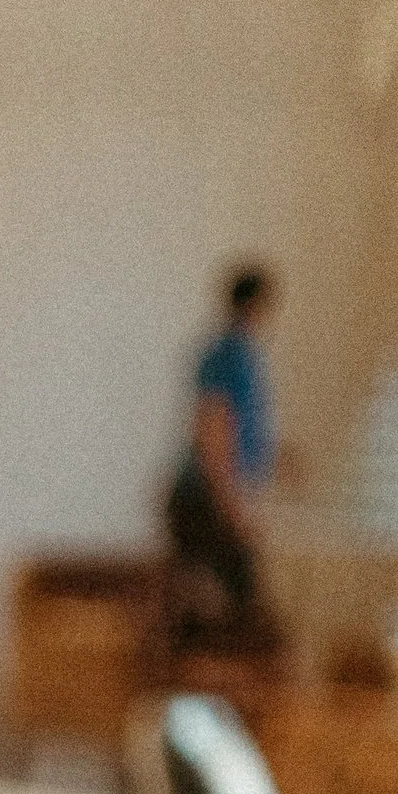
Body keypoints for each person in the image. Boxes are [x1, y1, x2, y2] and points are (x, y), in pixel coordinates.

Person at [165, 262, 281, 637]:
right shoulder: (231, 355)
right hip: (204, 498)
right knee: (232, 614)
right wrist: (229, 502)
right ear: (255, 305)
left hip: (207, 495)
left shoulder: (238, 353)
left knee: (227, 609)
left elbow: (237, 430)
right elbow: (214, 427)